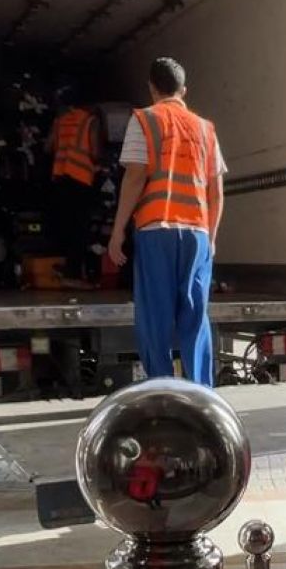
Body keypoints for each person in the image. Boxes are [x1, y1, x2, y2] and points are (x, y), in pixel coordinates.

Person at [106, 57, 226, 386]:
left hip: (156, 230)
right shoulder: (205, 129)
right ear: (183, 90)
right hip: (197, 233)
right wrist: (211, 238)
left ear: (151, 88)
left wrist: (117, 232)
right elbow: (216, 192)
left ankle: (161, 389)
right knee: (195, 316)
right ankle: (201, 394)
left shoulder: (144, 119)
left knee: (155, 316)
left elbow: (135, 177)